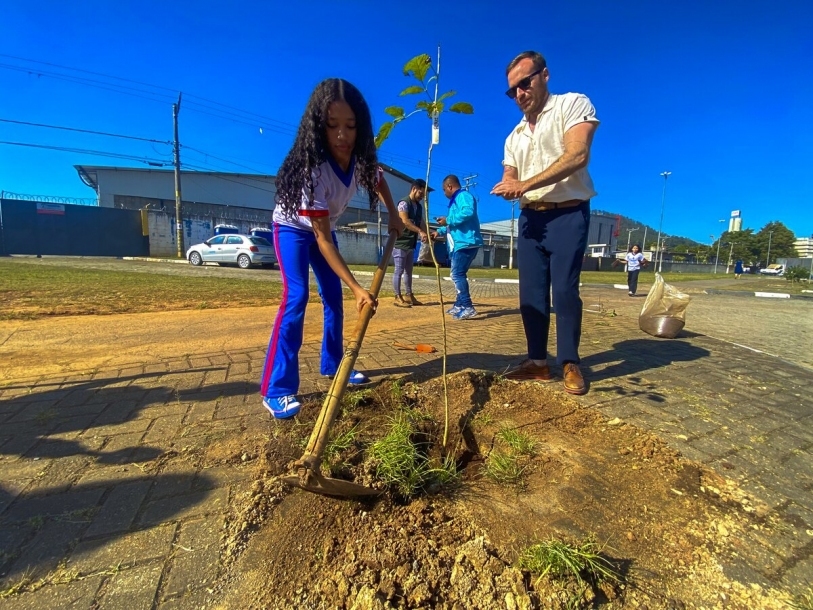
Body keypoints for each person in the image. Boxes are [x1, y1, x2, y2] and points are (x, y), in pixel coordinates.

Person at [261, 78, 404, 419]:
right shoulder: (313, 172)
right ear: (318, 127)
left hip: (324, 230)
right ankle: (276, 389)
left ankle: (334, 364)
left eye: (351, 126)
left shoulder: (361, 162)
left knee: (333, 300)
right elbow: (322, 241)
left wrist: (392, 213)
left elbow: (380, 179)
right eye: (333, 126)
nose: (342, 135)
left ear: (361, 128)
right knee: (296, 298)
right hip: (293, 229)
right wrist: (358, 288)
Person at [491, 50, 600, 396]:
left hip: (568, 212)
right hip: (530, 220)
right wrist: (510, 184)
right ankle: (538, 362)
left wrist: (525, 183)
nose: (520, 93)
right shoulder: (514, 136)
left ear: (544, 75)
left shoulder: (572, 105)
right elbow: (510, 174)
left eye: (525, 83)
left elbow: (578, 154)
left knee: (565, 292)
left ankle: (570, 362)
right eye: (513, 90)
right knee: (531, 295)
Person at [432, 175, 483, 320]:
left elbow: (468, 212)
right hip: (460, 244)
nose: (444, 193)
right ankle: (460, 305)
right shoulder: (455, 201)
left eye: (443, 190)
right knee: (458, 274)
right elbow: (452, 226)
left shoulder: (464, 196)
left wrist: (448, 219)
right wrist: (439, 231)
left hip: (466, 243)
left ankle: (468, 306)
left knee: (457, 275)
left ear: (449, 186)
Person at [392, 178, 428, 307]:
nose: (422, 197)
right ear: (414, 189)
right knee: (399, 271)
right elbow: (405, 221)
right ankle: (397, 296)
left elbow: (421, 222)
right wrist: (420, 232)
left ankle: (409, 295)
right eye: (421, 194)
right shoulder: (403, 203)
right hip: (400, 243)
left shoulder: (418, 207)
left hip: (410, 244)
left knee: (408, 271)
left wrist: (428, 233)